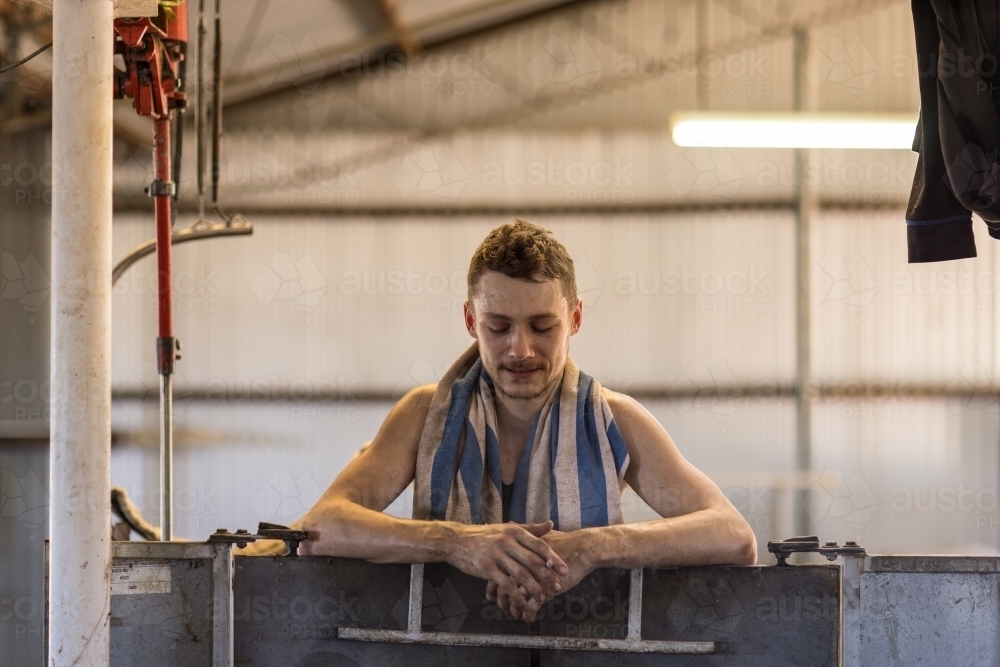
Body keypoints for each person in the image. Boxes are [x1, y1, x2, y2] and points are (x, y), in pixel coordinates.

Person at [300, 219, 756, 623]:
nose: (520, 349)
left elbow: (733, 536)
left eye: (542, 326)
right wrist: (458, 543)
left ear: (575, 318)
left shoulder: (616, 421)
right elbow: (321, 526)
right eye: (498, 327)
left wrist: (591, 547)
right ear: (469, 320)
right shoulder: (425, 416)